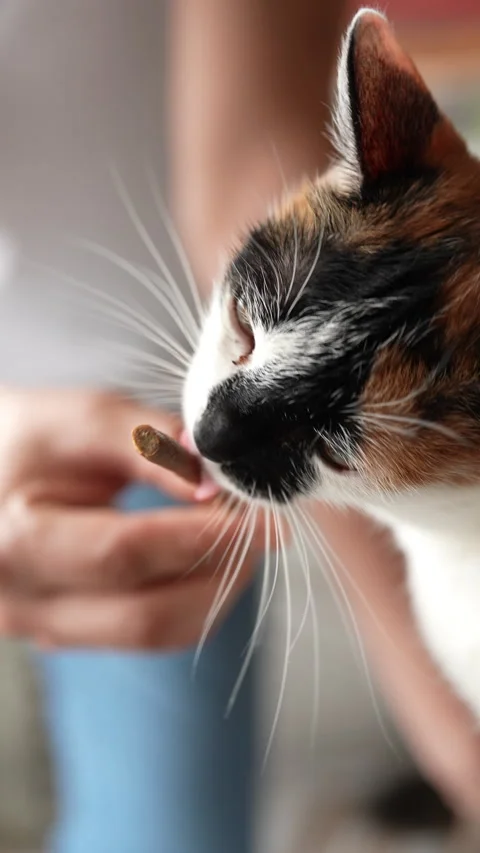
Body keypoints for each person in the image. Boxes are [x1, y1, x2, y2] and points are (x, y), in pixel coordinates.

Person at [0, 3, 478, 853]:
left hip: (121, 402)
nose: (215, 432)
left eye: (334, 446)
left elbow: (248, 157)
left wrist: (437, 710)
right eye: (246, 334)